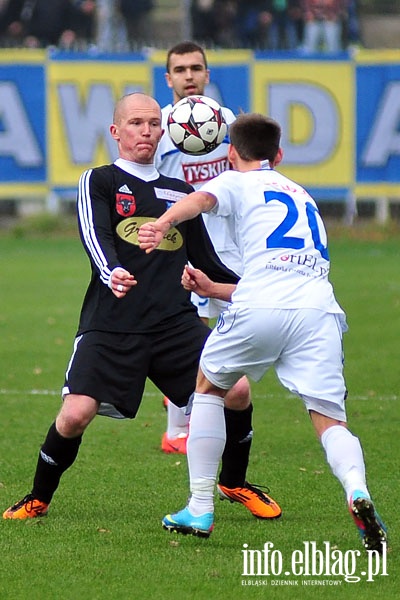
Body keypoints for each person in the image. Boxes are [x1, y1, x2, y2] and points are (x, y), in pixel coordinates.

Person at [3, 94, 281, 522]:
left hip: (173, 323)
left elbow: (207, 261)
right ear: (116, 132)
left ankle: (234, 482)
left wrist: (262, 287)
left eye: (153, 123)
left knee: (238, 393)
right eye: (135, 123)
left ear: (164, 131)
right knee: (75, 414)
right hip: (112, 323)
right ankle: (38, 497)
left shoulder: (181, 192)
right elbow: (95, 235)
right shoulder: (100, 180)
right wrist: (111, 270)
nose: (146, 131)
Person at [138, 113, 387, 553]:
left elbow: (199, 201)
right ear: (280, 155)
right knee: (330, 419)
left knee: (209, 388)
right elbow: (284, 272)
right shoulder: (302, 194)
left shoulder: (235, 181)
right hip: (318, 310)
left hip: (261, 305)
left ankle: (199, 506)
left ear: (231, 154)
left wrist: (163, 224)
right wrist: (213, 289)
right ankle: (357, 490)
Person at [155, 41, 245, 457]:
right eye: (180, 69)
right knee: (185, 333)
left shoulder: (227, 123)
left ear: (207, 74)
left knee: (234, 327)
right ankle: (177, 428)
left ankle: (211, 405)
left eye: (196, 68)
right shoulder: (157, 125)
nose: (189, 76)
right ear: (168, 78)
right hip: (184, 241)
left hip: (229, 242)